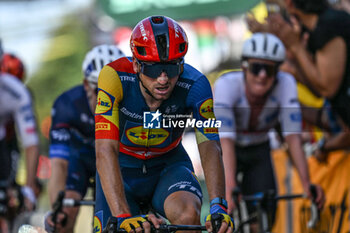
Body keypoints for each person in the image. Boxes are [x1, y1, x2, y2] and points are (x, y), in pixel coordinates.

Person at [94, 15, 234, 233]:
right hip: (122, 170)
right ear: (136, 64)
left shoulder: (196, 85)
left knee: (187, 216)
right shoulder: (114, 78)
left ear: (182, 65)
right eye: (152, 69)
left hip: (168, 166)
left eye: (170, 68)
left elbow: (210, 144)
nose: (162, 79)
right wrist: (122, 215)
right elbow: (105, 149)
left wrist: (218, 205)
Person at [213, 33, 325, 232]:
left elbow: (292, 137)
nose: (262, 75)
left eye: (269, 69)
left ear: (277, 72)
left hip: (259, 148)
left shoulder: (286, 84)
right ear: (245, 67)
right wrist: (229, 187)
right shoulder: (226, 85)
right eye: (257, 68)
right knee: (224, 207)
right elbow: (226, 141)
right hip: (228, 149)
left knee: (265, 210)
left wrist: (306, 183)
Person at [44, 44, 125, 233]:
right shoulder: (67, 105)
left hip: (116, 158)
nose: (109, 97)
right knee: (65, 213)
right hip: (79, 159)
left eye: (117, 90)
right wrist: (56, 209)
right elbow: (59, 164)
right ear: (87, 85)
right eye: (101, 90)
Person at [268, 0, 350, 129]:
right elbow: (317, 89)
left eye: (275, 7)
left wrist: (296, 47)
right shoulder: (315, 28)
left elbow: (326, 89)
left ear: (289, 4)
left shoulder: (329, 25)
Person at [0, 41, 40, 232]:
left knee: (8, 198)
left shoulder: (16, 93)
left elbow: (31, 143)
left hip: (5, 144)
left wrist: (29, 187)